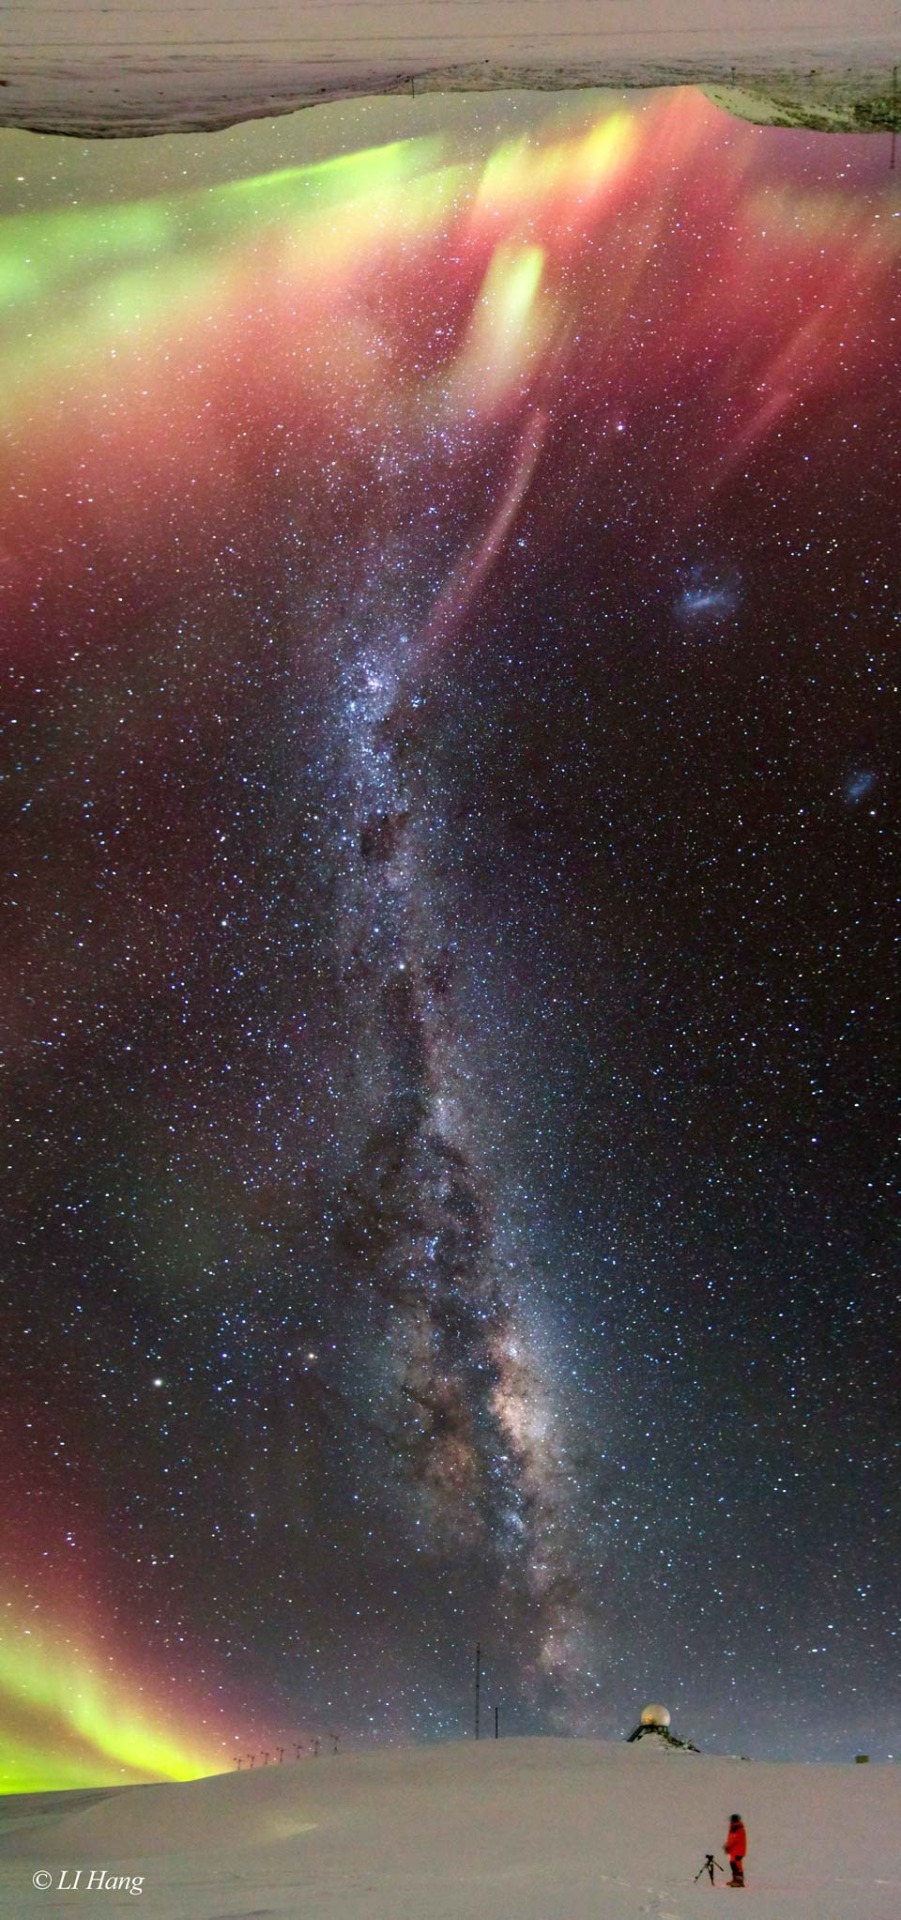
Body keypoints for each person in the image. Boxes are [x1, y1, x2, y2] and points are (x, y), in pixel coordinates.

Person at [724, 1813, 747, 1887]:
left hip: (738, 1851)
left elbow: (734, 1839)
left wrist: (728, 1846)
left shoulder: (737, 1828)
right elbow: (731, 1839)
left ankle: (739, 1881)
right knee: (733, 1864)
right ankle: (735, 1879)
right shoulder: (734, 1828)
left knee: (736, 1865)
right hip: (734, 1850)